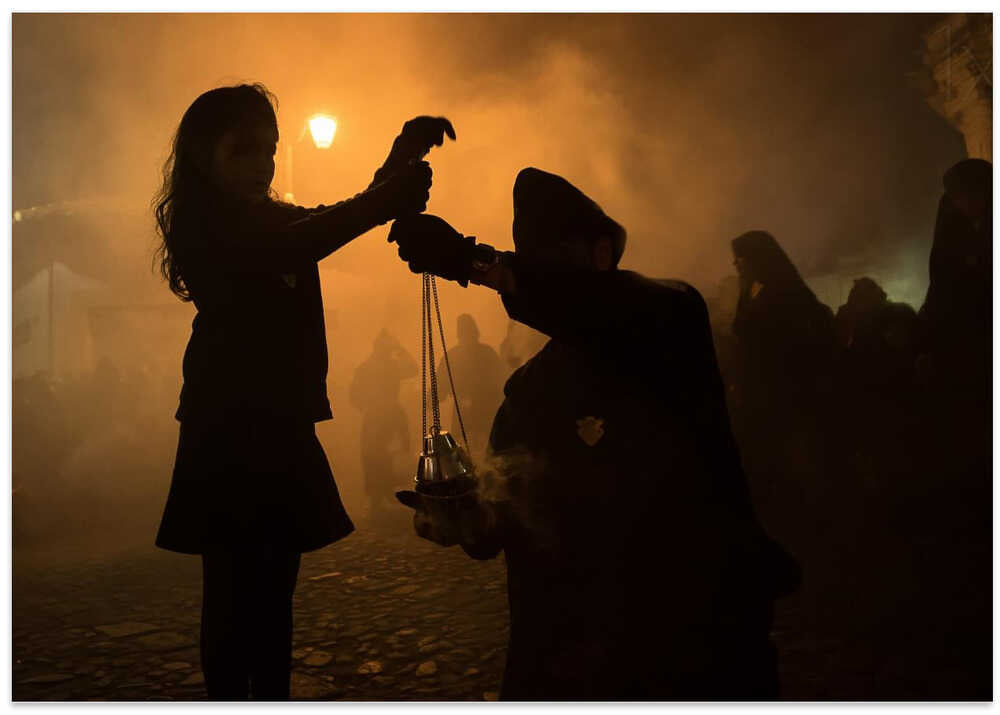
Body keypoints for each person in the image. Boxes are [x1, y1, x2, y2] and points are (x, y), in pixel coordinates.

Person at [390, 167, 798, 700]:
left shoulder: (670, 319)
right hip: (567, 657)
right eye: (537, 265)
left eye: (556, 262)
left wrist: (476, 262)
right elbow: (506, 513)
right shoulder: (529, 392)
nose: (543, 280)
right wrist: (465, 519)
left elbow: (596, 306)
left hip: (688, 638)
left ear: (602, 253)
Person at [152, 83, 453, 700]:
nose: (262, 164)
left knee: (273, 591)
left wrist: (397, 161)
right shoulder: (205, 225)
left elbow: (330, 218)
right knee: (236, 594)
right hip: (230, 426)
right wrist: (384, 199)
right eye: (245, 151)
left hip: (281, 420)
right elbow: (300, 241)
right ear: (204, 156)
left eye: (269, 150)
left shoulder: (266, 216)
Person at [349, 329, 417, 523]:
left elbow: (354, 397)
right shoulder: (381, 367)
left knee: (383, 456)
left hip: (383, 416)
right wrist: (400, 349)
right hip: (384, 416)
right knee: (378, 457)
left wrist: (369, 407)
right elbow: (355, 396)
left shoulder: (371, 367)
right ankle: (379, 502)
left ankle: (383, 499)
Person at [435, 314, 506, 459]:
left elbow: (500, 381)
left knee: (480, 453)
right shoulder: (455, 356)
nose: (468, 338)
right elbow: (441, 387)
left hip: (482, 412)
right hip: (468, 415)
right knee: (467, 453)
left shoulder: (483, 353)